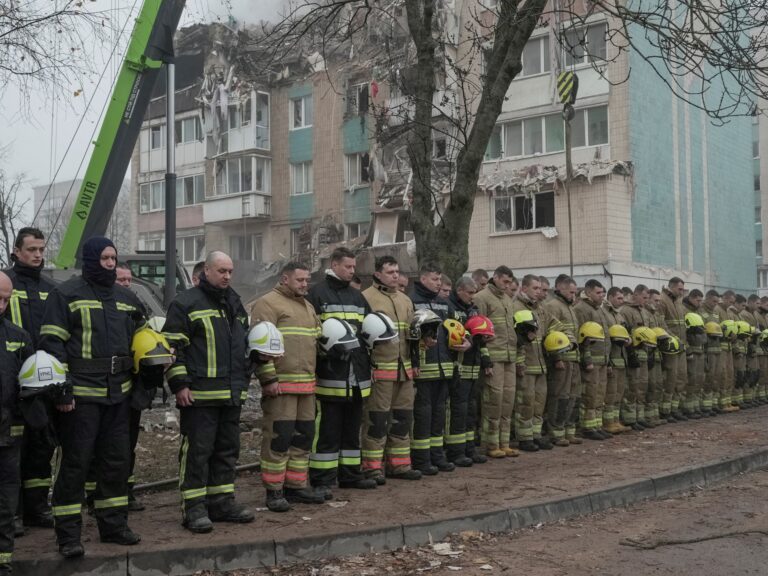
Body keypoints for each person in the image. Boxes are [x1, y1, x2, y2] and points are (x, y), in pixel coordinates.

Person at [41, 237, 146, 557]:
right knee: (75, 464)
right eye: (104, 258)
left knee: (116, 463)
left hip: (119, 395)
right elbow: (52, 346)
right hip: (81, 397)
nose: (110, 263)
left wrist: (147, 378)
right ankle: (68, 535)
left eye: (113, 257)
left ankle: (114, 526)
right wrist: (62, 390)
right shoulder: (66, 294)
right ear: (89, 259)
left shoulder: (127, 298)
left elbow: (144, 340)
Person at [163, 251, 254, 532]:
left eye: (230, 271)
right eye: (221, 271)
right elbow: (172, 348)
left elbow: (243, 343)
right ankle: (193, 508)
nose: (227, 276)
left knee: (227, 451)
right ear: (206, 271)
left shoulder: (234, 302)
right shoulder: (185, 302)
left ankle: (221, 503)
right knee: (197, 453)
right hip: (199, 396)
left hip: (231, 394)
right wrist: (180, 384)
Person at [250, 262, 324, 512]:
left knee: (303, 438)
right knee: (278, 439)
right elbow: (259, 346)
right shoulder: (267, 304)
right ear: (284, 279)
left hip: (307, 387)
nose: (305, 284)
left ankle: (296, 486)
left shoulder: (308, 306)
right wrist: (268, 379)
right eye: (300, 280)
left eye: (307, 280)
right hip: (281, 387)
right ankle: (274, 490)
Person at [307, 248, 376, 499]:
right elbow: (312, 334)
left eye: (353, 267)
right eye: (348, 266)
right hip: (331, 374)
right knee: (328, 429)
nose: (352, 271)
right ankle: (322, 478)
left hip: (356, 375)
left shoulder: (357, 297)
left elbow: (368, 331)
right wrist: (324, 356)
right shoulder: (317, 294)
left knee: (351, 429)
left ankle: (350, 475)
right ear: (334, 265)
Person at [3, 228, 57, 532]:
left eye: (41, 249)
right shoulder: (6, 283)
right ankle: (13, 513)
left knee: (41, 446)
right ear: (16, 251)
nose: (38, 255)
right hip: (11, 380)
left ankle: (37, 508)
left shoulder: (51, 288)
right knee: (12, 450)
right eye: (31, 249)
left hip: (43, 381)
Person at [361, 256, 422, 482]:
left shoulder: (405, 300)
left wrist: (415, 362)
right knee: (377, 420)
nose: (395, 275)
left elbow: (412, 335)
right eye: (390, 272)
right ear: (378, 274)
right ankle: (372, 468)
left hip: (404, 371)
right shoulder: (366, 298)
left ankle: (400, 465)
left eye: (397, 271)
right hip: (380, 372)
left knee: (402, 419)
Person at [410, 263, 466, 474]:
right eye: (435, 279)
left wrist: (466, 340)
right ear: (423, 278)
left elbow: (458, 326)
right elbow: (409, 334)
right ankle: (421, 460)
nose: (438, 283)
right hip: (424, 369)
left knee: (439, 415)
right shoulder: (412, 301)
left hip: (444, 369)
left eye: (440, 279)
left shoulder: (443, 304)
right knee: (423, 416)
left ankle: (437, 456)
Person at [0, 271, 34, 576]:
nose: (1, 305)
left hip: (7, 432)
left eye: (6, 300)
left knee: (6, 500)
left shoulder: (17, 336)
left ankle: (3, 560)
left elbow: (30, 381)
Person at [473, 266, 518, 458]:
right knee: (494, 401)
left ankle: (504, 443)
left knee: (508, 401)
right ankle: (490, 444)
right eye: (505, 281)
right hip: (493, 357)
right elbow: (478, 331)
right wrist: (485, 360)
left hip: (509, 357)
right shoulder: (481, 298)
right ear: (496, 278)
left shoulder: (507, 299)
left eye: (510, 282)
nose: (507, 285)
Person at [512, 275, 560, 451]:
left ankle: (536, 435)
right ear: (524, 288)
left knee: (539, 403)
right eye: (535, 288)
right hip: (526, 364)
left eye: (540, 288)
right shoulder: (515, 307)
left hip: (540, 364)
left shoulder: (540, 308)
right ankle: (524, 438)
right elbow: (515, 338)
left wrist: (561, 339)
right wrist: (519, 362)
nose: (539, 292)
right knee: (526, 402)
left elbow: (555, 325)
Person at [446, 277, 486, 466]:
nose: (473, 296)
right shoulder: (450, 307)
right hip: (459, 367)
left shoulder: (473, 309)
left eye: (474, 292)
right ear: (459, 290)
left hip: (473, 366)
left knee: (470, 410)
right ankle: (456, 452)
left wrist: (483, 339)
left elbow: (478, 335)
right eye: (470, 293)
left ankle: (470, 449)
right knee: (458, 410)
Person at [542, 275, 582, 446]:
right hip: (562, 361)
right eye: (571, 292)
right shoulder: (553, 306)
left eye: (575, 292)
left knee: (573, 397)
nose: (574, 295)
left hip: (574, 359)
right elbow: (550, 334)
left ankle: (569, 430)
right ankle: (556, 432)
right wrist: (556, 358)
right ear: (560, 288)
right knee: (560, 397)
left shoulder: (569, 307)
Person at [574, 279, 612, 440]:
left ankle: (596, 425)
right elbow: (582, 338)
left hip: (602, 359)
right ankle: (587, 427)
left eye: (603, 292)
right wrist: (587, 359)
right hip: (592, 361)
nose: (602, 296)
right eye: (598, 293)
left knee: (599, 394)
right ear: (588, 292)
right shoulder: (582, 309)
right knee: (589, 394)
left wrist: (608, 360)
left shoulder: (599, 309)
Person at [602, 287, 630, 434]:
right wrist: (607, 362)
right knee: (610, 394)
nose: (622, 301)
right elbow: (605, 339)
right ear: (610, 297)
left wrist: (628, 339)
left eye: (622, 298)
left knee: (619, 393)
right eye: (619, 298)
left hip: (621, 359)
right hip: (612, 359)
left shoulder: (619, 315)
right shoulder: (604, 314)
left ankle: (615, 421)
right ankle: (608, 423)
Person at [659, 277, 688, 420]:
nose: (682, 292)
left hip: (681, 346)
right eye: (679, 289)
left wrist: (684, 343)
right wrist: (675, 338)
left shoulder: (678, 302)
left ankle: (675, 408)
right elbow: (661, 324)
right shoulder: (662, 300)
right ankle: (665, 411)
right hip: (670, 347)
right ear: (671, 287)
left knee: (680, 378)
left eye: (683, 289)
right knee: (670, 379)